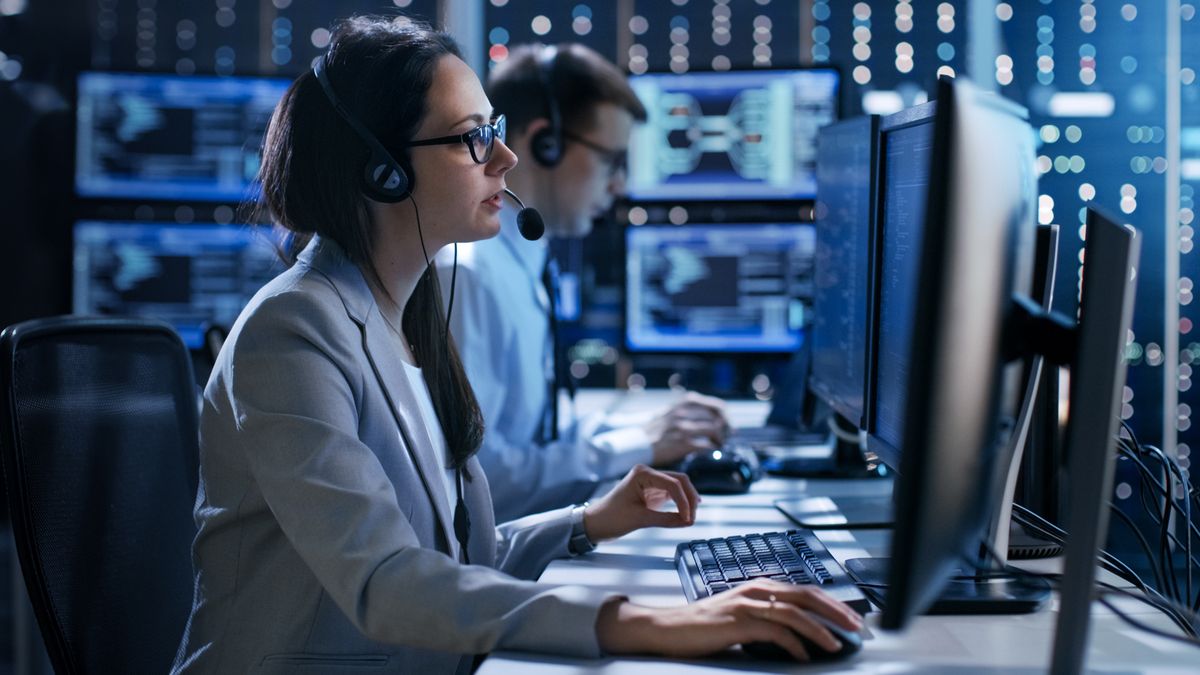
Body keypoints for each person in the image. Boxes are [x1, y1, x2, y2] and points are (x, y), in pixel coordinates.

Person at [171, 15, 861, 674]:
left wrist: (588, 520)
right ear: (383, 168)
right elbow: (385, 578)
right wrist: (649, 621)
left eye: (495, 131)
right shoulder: (292, 331)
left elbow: (458, 553)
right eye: (473, 137)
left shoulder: (408, 315)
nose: (505, 157)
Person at [438, 42, 730, 522]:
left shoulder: (523, 262)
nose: (620, 186)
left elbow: (537, 433)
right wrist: (640, 444)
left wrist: (648, 431)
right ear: (545, 144)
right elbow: (479, 482)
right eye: (612, 161)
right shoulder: (468, 277)